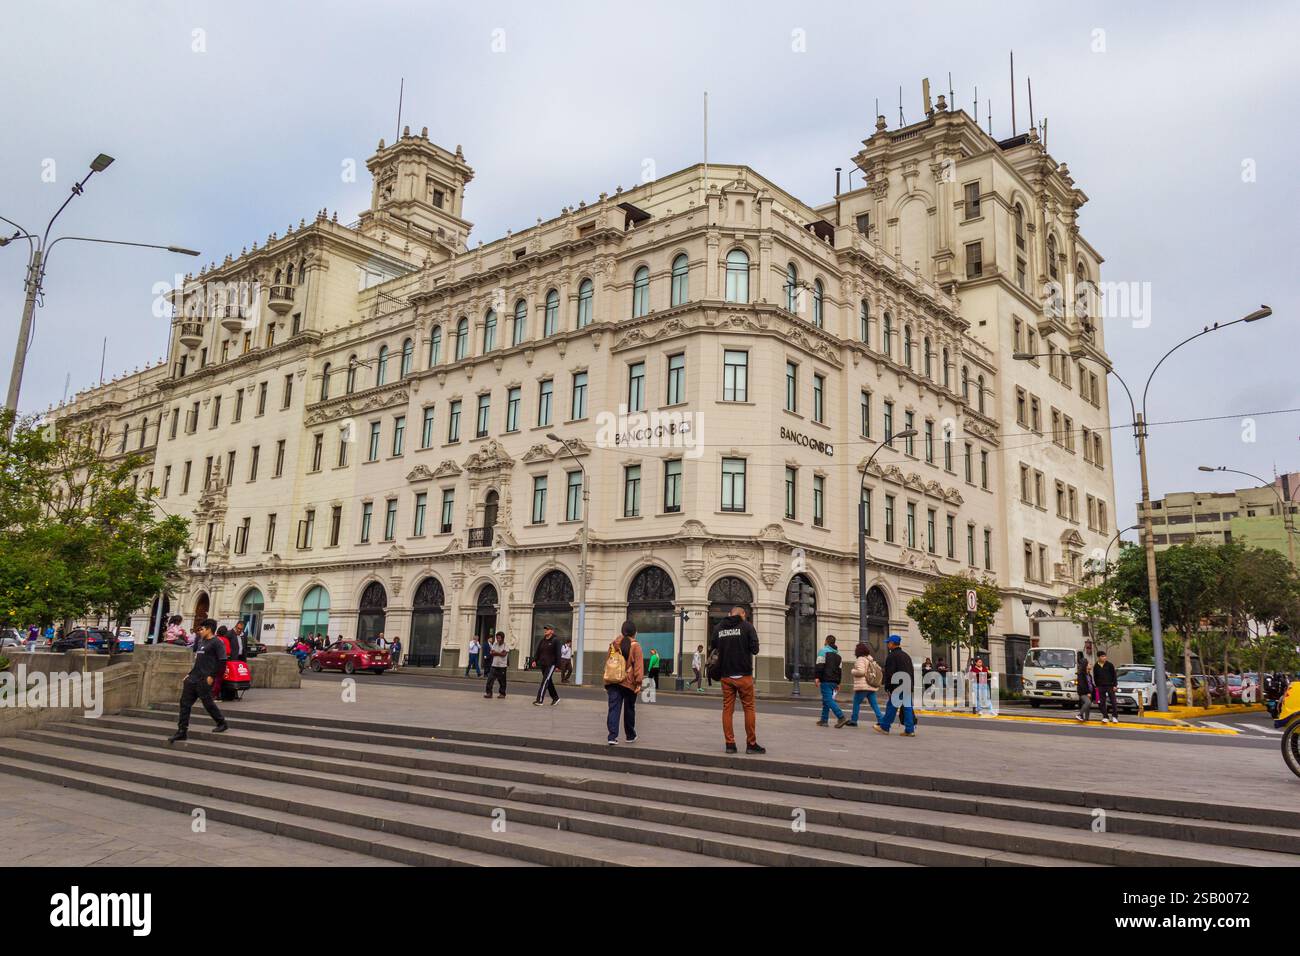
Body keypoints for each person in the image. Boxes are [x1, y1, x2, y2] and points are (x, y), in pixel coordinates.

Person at [709, 607, 765, 754]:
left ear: (729, 614)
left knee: (727, 709)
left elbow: (713, 647)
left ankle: (730, 744)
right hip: (744, 675)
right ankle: (751, 744)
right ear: (743, 614)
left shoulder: (718, 628)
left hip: (726, 675)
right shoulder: (747, 627)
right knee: (749, 708)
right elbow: (755, 649)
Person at [168, 619, 229, 743]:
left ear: (209, 629)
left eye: (202, 629)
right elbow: (198, 661)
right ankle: (182, 731)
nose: (200, 631)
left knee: (208, 703)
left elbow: (222, 661)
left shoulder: (217, 642)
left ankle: (221, 722)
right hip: (193, 678)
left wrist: (213, 676)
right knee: (184, 704)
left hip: (205, 679)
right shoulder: (201, 641)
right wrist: (189, 674)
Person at [604, 621, 644, 745]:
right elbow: (638, 666)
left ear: (622, 631)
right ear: (634, 632)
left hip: (613, 681)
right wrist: (638, 683)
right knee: (629, 709)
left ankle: (612, 736)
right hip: (629, 682)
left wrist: (607, 681)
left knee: (613, 709)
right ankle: (630, 735)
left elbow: (608, 662)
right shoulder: (635, 646)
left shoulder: (613, 644)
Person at [874, 634, 916, 737]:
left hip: (897, 686)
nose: (887, 644)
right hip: (907, 684)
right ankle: (910, 730)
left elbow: (890, 673)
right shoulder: (906, 656)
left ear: (892, 643)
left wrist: (888, 687)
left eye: (888, 643)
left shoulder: (892, 656)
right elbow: (911, 672)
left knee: (891, 707)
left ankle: (885, 727)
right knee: (908, 707)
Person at [814, 635, 848, 727]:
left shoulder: (823, 652)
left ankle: (841, 717)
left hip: (825, 680)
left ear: (826, 641)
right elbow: (839, 671)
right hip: (834, 681)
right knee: (826, 700)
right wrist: (838, 683)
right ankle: (824, 720)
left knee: (828, 700)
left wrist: (817, 677)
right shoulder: (838, 656)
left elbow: (820, 665)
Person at [848, 641, 883, 726]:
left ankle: (854, 720)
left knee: (856, 702)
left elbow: (861, 671)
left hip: (863, 686)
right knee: (874, 705)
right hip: (871, 685)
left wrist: (853, 671)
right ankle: (881, 720)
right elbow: (879, 669)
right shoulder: (870, 659)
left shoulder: (861, 659)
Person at [533, 625, 561, 706]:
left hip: (551, 665)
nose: (545, 630)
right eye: (545, 629)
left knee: (545, 682)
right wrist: (534, 660)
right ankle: (555, 698)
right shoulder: (542, 640)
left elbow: (558, 654)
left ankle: (539, 700)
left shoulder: (556, 640)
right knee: (548, 682)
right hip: (543, 664)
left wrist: (558, 666)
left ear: (552, 631)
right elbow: (538, 651)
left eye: (547, 629)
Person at [1094, 650, 1119, 724]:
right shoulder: (1096, 666)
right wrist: (1097, 686)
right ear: (1098, 657)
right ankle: (1105, 716)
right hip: (1101, 686)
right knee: (1101, 702)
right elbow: (1095, 677)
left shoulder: (1110, 665)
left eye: (1105, 656)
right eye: (1102, 656)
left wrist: (1115, 685)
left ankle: (1115, 716)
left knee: (1113, 701)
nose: (1104, 657)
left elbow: (1114, 675)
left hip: (1110, 685)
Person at [484, 631, 509, 698]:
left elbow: (504, 654)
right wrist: (499, 653)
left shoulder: (505, 645)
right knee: (490, 679)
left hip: (502, 666)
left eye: (499, 638)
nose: (498, 640)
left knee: (502, 681)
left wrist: (496, 652)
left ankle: (502, 693)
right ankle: (489, 693)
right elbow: (491, 653)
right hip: (494, 665)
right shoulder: (495, 644)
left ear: (503, 638)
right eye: (497, 638)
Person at [1075, 651, 1095, 723]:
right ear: (1086, 665)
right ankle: (1080, 715)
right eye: (1089, 664)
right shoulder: (1081, 674)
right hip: (1083, 693)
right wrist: (1088, 692)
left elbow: (1090, 684)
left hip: (1089, 692)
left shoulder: (1089, 675)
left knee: (1087, 705)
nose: (1091, 665)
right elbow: (1082, 685)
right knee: (1088, 703)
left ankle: (1086, 718)